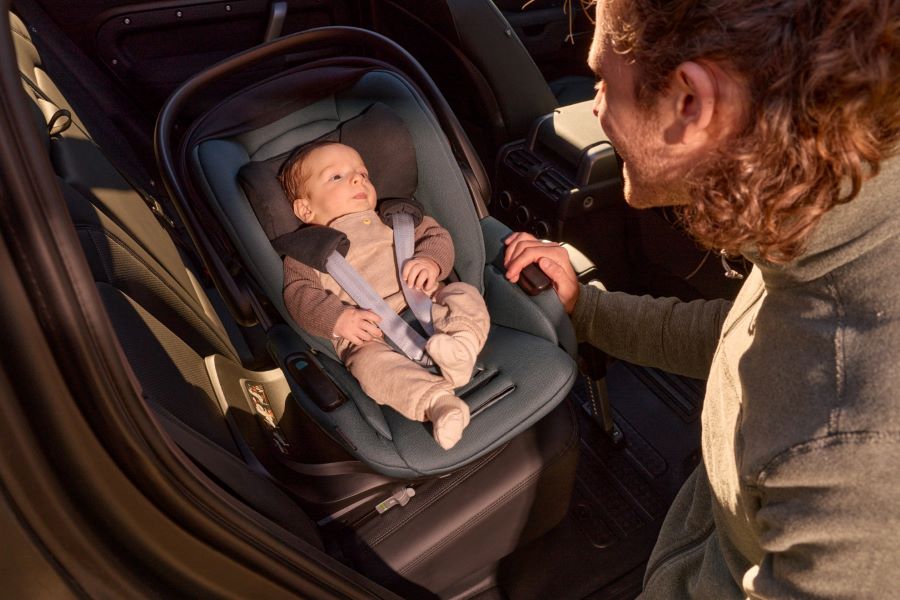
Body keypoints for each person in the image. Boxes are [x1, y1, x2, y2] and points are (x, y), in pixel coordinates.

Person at [505, 0, 899, 597]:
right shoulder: (835, 207)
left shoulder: (852, 462)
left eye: (604, 80)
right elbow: (749, 337)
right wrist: (587, 310)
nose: (596, 106)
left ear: (691, 103)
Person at [280, 141, 489, 449]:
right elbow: (299, 296)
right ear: (305, 209)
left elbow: (437, 237)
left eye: (363, 174)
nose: (357, 179)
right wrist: (338, 319)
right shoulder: (305, 252)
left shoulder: (395, 218)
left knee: (463, 294)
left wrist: (430, 261)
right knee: (368, 368)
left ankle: (462, 347)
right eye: (336, 177)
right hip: (370, 334)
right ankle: (436, 403)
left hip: (428, 302)